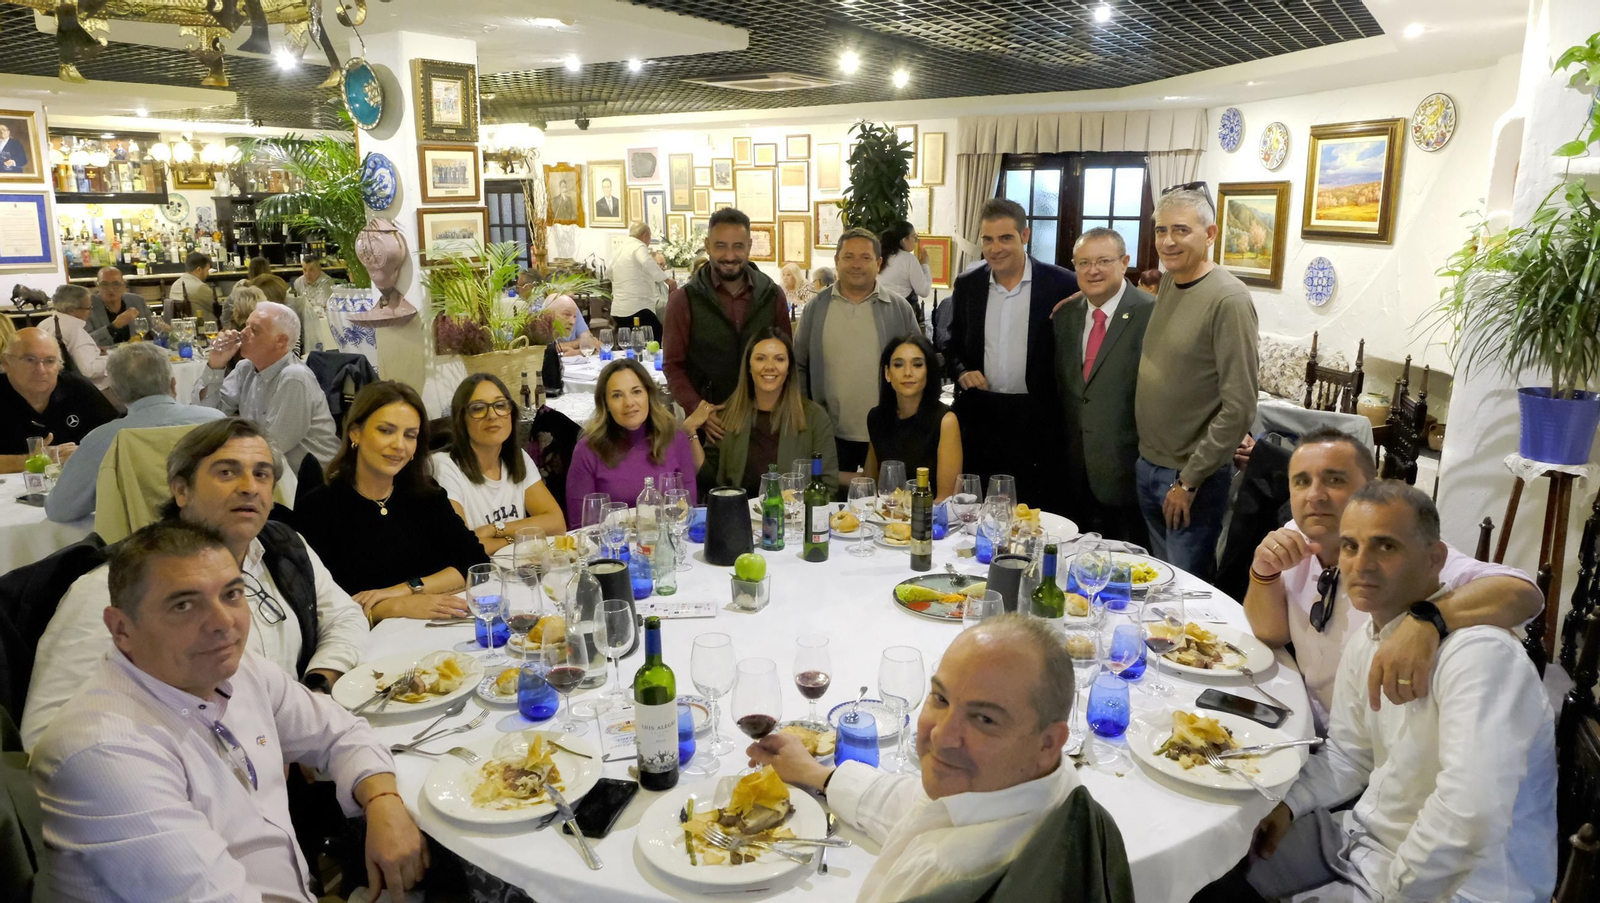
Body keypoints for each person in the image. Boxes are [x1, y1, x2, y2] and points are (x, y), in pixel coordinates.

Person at [28, 520, 425, 902]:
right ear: (121, 629)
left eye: (232, 594)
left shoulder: (234, 668)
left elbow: (339, 732)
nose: (223, 622)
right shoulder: (104, 752)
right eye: (184, 604)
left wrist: (381, 798)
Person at [1245, 481, 1556, 903]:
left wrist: (1397, 892)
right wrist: (1287, 806)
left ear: (1435, 559)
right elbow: (1349, 755)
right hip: (1364, 842)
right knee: (1219, 856)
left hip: (1462, 887)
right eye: (1351, 546)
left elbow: (1469, 818)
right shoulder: (1373, 637)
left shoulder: (1482, 656)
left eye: (1385, 547)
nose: (1361, 564)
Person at [23, 416, 371, 748]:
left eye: (262, 474)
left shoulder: (284, 547)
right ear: (181, 490)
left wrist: (315, 688)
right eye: (226, 472)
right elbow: (47, 735)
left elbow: (344, 617)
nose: (249, 488)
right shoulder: (114, 586)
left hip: (293, 761)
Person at [748, 613, 1131, 903]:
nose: (942, 735)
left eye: (984, 719)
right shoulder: (1048, 787)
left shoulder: (947, 876)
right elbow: (919, 804)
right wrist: (818, 775)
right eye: (941, 699)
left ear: (1049, 742)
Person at [1243, 428, 1542, 734]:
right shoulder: (1296, 536)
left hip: (1377, 746)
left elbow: (1522, 594)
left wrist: (1427, 619)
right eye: (1302, 481)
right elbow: (1272, 635)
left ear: (1371, 487)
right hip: (1315, 726)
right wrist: (1264, 571)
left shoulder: (1406, 558)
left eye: (1335, 480)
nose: (1315, 495)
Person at [1134, 187, 1259, 576]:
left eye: (1181, 231)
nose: (1168, 242)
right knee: (1156, 583)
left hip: (1190, 478)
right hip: (1149, 465)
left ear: (1210, 234)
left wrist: (1188, 482)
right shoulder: (1171, 281)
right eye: (1161, 231)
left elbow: (1239, 406)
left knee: (1186, 590)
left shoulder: (1229, 300)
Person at [293, 381, 485, 622]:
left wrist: (406, 589)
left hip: (439, 628)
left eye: (410, 435)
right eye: (386, 430)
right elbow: (322, 607)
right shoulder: (318, 508)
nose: (399, 445)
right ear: (355, 432)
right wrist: (395, 607)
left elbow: (475, 564)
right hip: (366, 643)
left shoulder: (426, 494)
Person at [941, 198, 1076, 511]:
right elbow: (949, 340)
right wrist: (961, 370)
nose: (995, 248)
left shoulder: (1062, 284)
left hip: (1037, 417)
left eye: (1005, 238)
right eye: (988, 239)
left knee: (1032, 509)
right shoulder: (968, 285)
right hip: (981, 413)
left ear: (1025, 235)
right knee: (977, 509)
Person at [1051, 228, 1154, 547]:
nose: (1092, 270)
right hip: (1071, 469)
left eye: (1103, 261)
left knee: (1124, 569)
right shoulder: (1065, 315)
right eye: (1083, 263)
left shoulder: (1151, 313)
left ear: (1125, 263)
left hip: (1126, 470)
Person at [45, 342, 224, 524]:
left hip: (142, 545)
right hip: (216, 536)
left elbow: (59, 510)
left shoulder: (102, 439)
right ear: (174, 384)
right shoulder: (216, 423)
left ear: (116, 394)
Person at [795, 228, 921, 474]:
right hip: (829, 434)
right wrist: (804, 413)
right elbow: (798, 364)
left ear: (879, 263)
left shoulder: (899, 309)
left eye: (865, 257)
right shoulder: (815, 309)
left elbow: (920, 365)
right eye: (848, 256)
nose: (856, 264)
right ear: (836, 261)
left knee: (886, 503)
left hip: (889, 431)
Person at [663, 207, 793, 442]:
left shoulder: (773, 295)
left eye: (738, 246)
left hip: (765, 421)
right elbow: (673, 365)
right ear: (708, 245)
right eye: (721, 245)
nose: (730, 256)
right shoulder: (684, 300)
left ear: (749, 246)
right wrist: (698, 408)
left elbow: (787, 359)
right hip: (712, 426)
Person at [192, 300, 339, 470]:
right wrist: (215, 366)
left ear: (281, 342)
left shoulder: (294, 377)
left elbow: (274, 446)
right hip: (272, 470)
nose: (243, 333)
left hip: (311, 482)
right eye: (245, 325)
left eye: (254, 330)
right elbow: (206, 416)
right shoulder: (245, 368)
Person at [433, 373, 568, 554]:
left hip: (521, 572)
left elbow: (556, 524)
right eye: (478, 408)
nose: (492, 415)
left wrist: (495, 530)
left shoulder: (517, 457)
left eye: (500, 405)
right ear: (461, 420)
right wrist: (517, 540)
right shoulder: (445, 467)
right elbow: (462, 548)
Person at [566, 358, 709, 527]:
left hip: (667, 542)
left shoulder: (676, 439)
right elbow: (581, 525)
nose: (629, 403)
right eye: (617, 395)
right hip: (615, 548)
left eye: (636, 392)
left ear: (649, 395)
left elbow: (687, 511)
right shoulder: (588, 450)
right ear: (606, 404)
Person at [700, 329, 838, 497]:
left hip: (794, 518)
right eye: (760, 358)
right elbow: (707, 481)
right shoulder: (725, 415)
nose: (770, 367)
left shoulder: (815, 418)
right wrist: (689, 433)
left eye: (779, 359)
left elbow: (828, 487)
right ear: (749, 367)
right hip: (736, 516)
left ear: (789, 369)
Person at [0, 327, 116, 471]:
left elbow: (117, 439)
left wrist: (85, 454)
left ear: (59, 365)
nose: (41, 370)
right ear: (6, 363)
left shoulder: (76, 389)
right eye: (30, 360)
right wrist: (32, 460)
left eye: (49, 361)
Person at [865, 333, 961, 501]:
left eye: (917, 365)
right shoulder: (877, 417)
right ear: (887, 373)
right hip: (886, 518)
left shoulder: (945, 421)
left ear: (929, 372)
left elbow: (945, 499)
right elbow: (869, 486)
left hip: (929, 519)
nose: (908, 372)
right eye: (898, 365)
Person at [38, 284, 110, 391]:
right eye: (88, 308)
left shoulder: (44, 324)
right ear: (71, 310)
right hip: (84, 393)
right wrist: (113, 359)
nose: (90, 312)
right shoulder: (75, 330)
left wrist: (93, 351)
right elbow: (88, 370)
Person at [607, 222, 671, 336]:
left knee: (628, 344)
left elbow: (608, 272)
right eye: (650, 237)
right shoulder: (638, 246)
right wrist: (667, 280)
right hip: (638, 308)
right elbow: (647, 262)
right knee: (655, 337)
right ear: (645, 235)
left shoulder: (619, 249)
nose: (649, 241)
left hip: (618, 310)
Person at [878, 220, 933, 330]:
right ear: (904, 240)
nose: (916, 241)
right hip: (901, 312)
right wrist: (925, 265)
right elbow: (923, 291)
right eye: (914, 237)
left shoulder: (879, 255)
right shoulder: (908, 259)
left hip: (880, 311)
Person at [84, 266, 153, 346]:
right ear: (97, 286)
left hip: (135, 353)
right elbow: (85, 340)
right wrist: (114, 326)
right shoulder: (87, 306)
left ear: (124, 285)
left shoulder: (137, 301)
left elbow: (153, 329)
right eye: (104, 284)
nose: (110, 289)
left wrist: (166, 329)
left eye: (116, 284)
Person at [165, 250, 218, 327]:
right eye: (207, 270)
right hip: (204, 329)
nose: (208, 274)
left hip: (182, 329)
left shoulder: (175, 284)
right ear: (199, 269)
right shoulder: (200, 287)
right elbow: (218, 309)